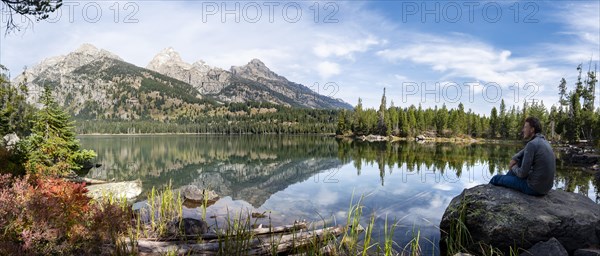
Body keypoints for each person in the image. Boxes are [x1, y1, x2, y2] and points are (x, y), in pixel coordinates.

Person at [489, 116, 556, 196]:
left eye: (525, 127)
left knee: (496, 178)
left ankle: (488, 197)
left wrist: (513, 166)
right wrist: (514, 158)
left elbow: (522, 174)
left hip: (533, 188)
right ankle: (506, 183)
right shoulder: (543, 142)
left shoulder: (531, 144)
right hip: (546, 188)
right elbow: (523, 152)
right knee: (518, 163)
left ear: (532, 129)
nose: (523, 130)